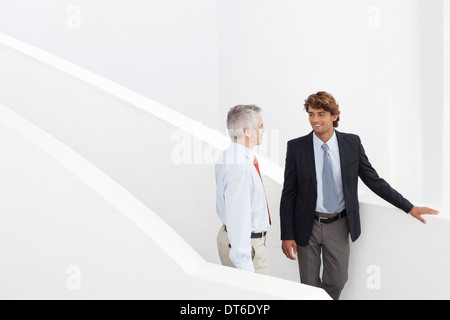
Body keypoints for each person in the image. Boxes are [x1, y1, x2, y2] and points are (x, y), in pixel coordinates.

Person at [279, 91, 439, 299]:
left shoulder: (351, 144)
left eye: (320, 114)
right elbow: (289, 193)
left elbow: (373, 180)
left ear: (334, 116)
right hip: (306, 225)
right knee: (308, 285)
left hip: (338, 223)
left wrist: (409, 207)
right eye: (311, 114)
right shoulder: (296, 147)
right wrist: (287, 234)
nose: (315, 120)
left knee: (337, 280)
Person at [215, 105, 271, 274]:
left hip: (234, 240)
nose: (264, 130)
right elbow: (239, 217)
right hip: (246, 249)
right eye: (260, 126)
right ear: (247, 131)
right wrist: (244, 264)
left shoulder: (228, 156)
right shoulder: (241, 167)